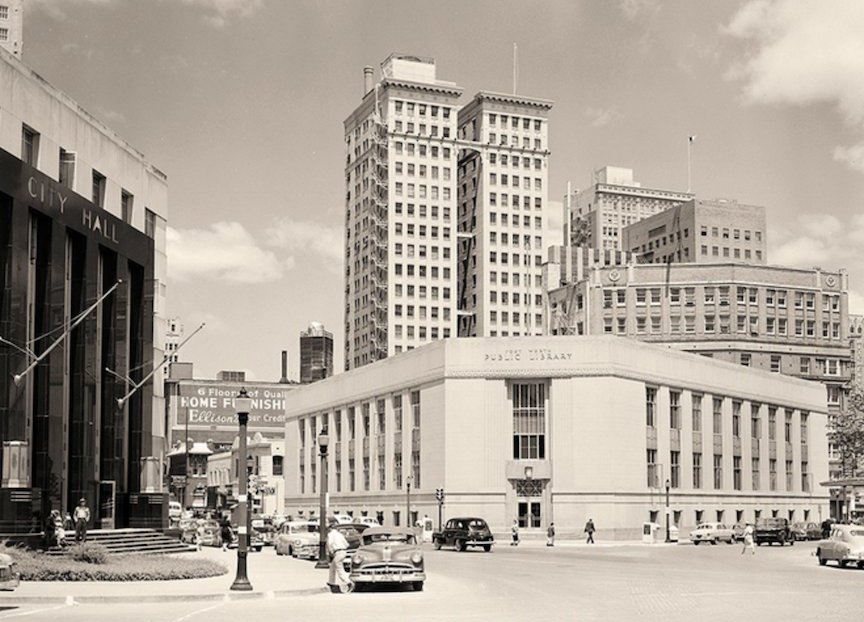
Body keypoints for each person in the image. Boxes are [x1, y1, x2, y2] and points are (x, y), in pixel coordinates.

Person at [326, 526, 354, 594]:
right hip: (343, 551)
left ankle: (348, 582)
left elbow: (330, 543)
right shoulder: (340, 534)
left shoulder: (331, 534)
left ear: (330, 529)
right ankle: (331, 582)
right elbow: (346, 544)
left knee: (339, 569)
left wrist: (330, 551)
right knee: (332, 567)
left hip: (337, 552)